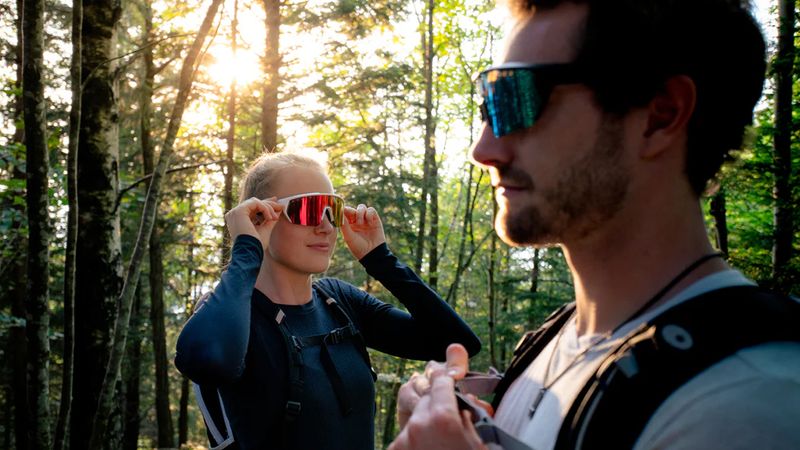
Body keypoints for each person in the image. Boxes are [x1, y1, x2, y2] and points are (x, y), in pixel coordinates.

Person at [389, 1, 800, 449]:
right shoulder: (554, 342)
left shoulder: (747, 404)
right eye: (490, 106)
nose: (483, 150)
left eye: (518, 98)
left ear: (660, 116)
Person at [174, 152, 481, 450]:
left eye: (331, 210)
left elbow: (456, 344)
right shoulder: (231, 313)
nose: (325, 226)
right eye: (308, 210)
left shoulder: (339, 301)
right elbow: (209, 360)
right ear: (259, 217)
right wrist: (246, 249)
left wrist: (380, 259)